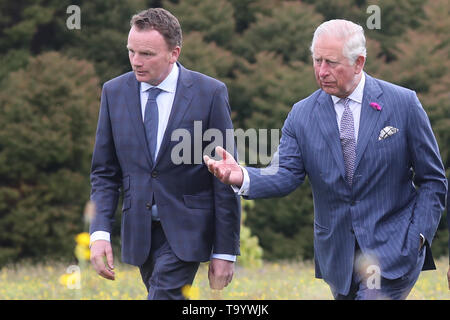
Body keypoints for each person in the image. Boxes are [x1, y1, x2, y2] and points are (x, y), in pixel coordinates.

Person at [204, 19, 447, 299]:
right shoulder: (302, 114)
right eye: (317, 60)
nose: (322, 71)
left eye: (331, 62)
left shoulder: (403, 104)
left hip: (394, 252)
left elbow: (433, 180)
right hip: (338, 258)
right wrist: (242, 176)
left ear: (359, 63)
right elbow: (285, 174)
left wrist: (418, 237)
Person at [89, 8, 240, 300]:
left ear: (174, 53)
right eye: (131, 51)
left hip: (189, 230)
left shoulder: (209, 94)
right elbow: (104, 173)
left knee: (164, 295)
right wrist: (99, 233)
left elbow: (225, 177)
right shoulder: (114, 92)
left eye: (146, 54)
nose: (136, 61)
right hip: (139, 231)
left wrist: (225, 251)